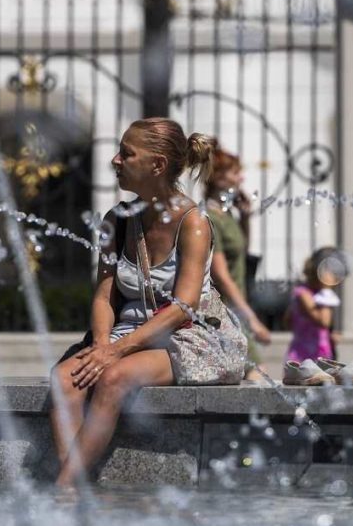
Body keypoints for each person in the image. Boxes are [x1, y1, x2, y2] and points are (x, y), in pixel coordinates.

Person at [49, 118, 247, 487]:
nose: (115, 160)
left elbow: (183, 305)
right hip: (125, 334)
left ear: (156, 165)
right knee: (63, 379)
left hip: (189, 336)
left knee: (114, 377)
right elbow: (104, 294)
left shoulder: (194, 222)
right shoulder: (118, 220)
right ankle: (77, 485)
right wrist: (103, 343)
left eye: (126, 153)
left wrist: (116, 353)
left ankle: (64, 490)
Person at [202, 147, 271, 381]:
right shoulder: (209, 218)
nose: (240, 178)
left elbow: (240, 250)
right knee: (257, 375)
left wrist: (246, 218)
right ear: (218, 177)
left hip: (235, 308)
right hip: (226, 312)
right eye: (234, 173)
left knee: (249, 376)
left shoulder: (226, 214)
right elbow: (220, 274)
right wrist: (250, 318)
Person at [283, 246, 344, 376]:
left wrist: (329, 336)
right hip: (304, 357)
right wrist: (326, 288)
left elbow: (287, 320)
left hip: (322, 354)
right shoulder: (304, 294)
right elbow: (324, 321)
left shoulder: (319, 293)